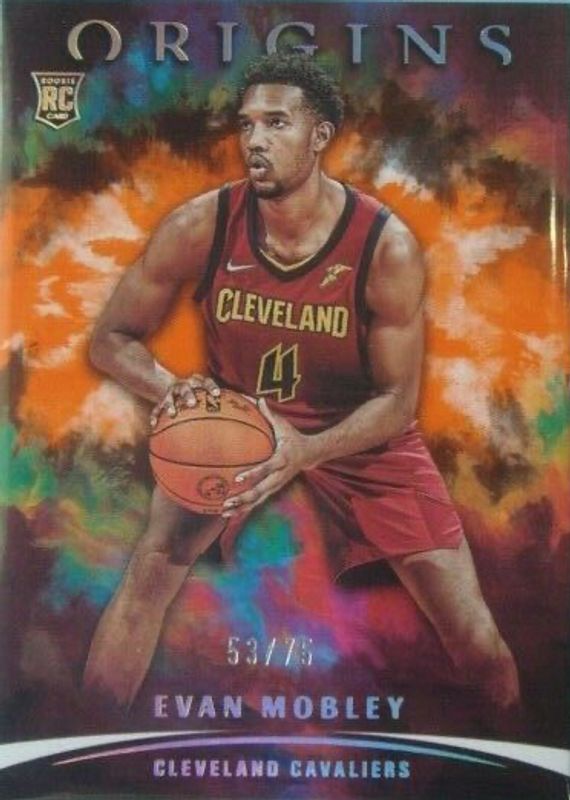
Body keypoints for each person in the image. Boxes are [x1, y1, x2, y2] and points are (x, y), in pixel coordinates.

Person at [83, 53, 519, 713]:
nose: (254, 140)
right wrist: (172, 388)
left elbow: (397, 402)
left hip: (361, 438)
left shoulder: (385, 247)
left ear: (320, 135)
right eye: (247, 124)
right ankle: (83, 736)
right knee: (151, 568)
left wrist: (308, 449)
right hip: (239, 424)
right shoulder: (201, 225)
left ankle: (527, 754)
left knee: (475, 639)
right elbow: (110, 339)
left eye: (276, 123)